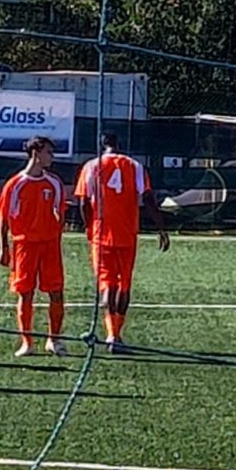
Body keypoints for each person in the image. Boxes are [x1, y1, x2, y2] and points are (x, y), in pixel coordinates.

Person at [76, 131, 168, 354]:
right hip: (127, 234)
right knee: (124, 284)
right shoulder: (134, 166)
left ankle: (109, 334)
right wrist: (161, 227)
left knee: (107, 284)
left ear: (102, 145)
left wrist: (88, 226)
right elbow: (147, 198)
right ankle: (116, 335)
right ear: (118, 144)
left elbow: (83, 202)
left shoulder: (91, 166)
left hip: (101, 234)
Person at [0, 135, 69, 358]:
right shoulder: (15, 184)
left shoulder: (54, 183)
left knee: (56, 292)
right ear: (36, 153)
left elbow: (60, 212)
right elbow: (3, 217)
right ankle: (26, 342)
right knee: (25, 293)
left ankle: (53, 340)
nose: (52, 157)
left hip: (49, 246)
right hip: (24, 245)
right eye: (48, 152)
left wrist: (55, 227)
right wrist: (4, 248)